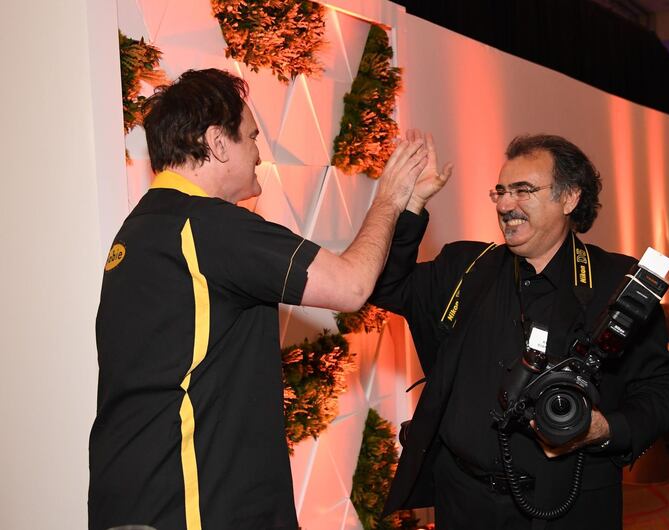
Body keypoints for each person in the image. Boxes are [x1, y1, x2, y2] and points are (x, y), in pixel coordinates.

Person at [88, 69, 430, 530]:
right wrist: (388, 198)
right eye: (250, 137)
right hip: (193, 506)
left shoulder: (139, 230)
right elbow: (351, 285)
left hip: (137, 501)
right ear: (217, 142)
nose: (258, 153)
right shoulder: (209, 226)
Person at [370, 134, 669, 529]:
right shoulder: (464, 266)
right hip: (462, 501)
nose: (504, 205)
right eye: (500, 192)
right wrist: (412, 204)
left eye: (523, 191)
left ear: (570, 198)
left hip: (568, 507)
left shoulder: (617, 282)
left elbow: (662, 392)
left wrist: (605, 430)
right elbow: (385, 287)